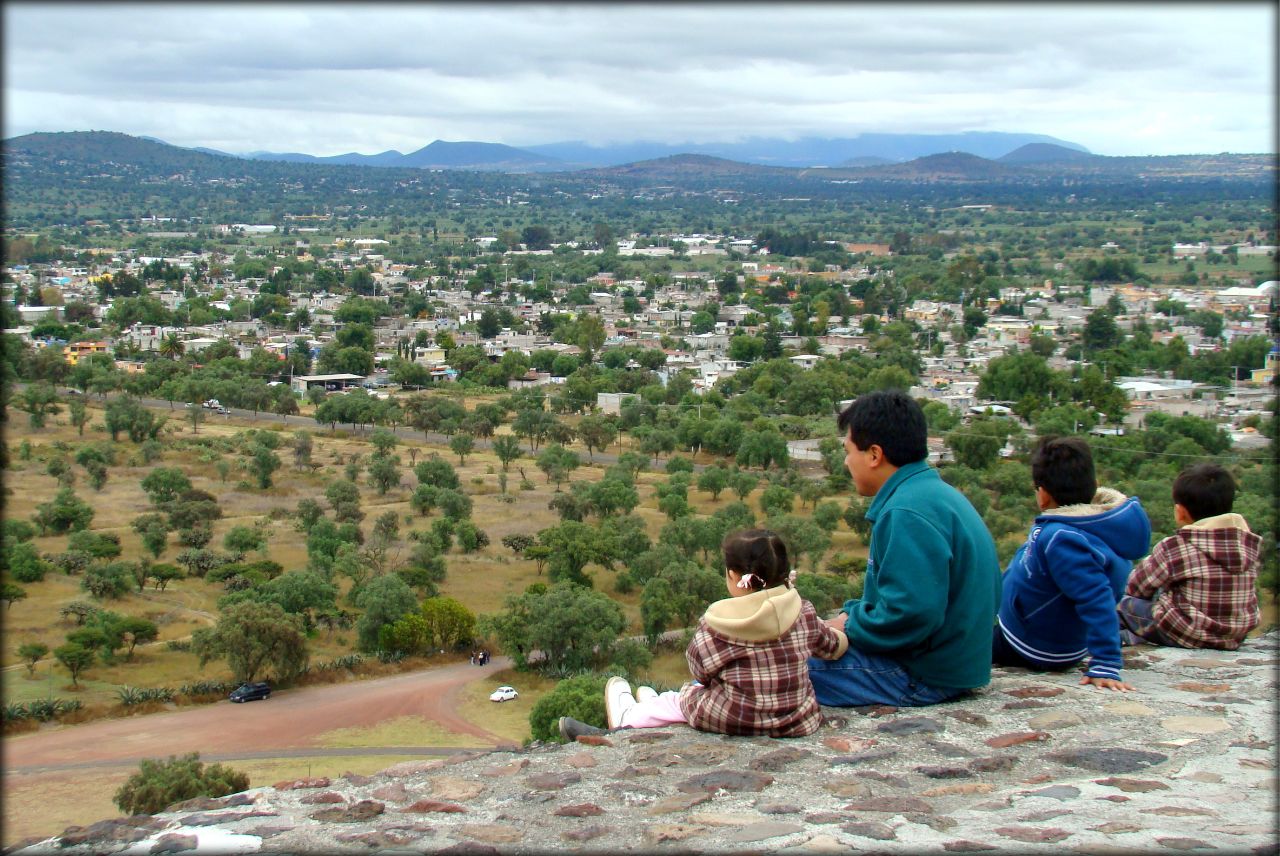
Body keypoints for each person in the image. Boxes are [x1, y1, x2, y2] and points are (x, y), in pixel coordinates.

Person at [807, 390, 1002, 708]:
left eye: (848, 451)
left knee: (773, 669)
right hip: (954, 665)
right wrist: (851, 615)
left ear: (874, 455)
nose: (845, 462)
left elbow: (910, 614)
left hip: (922, 675)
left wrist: (852, 625)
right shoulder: (934, 495)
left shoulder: (906, 512)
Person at [603, 529, 848, 737]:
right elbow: (831, 647)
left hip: (735, 717)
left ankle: (628, 717)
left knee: (682, 699)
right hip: (796, 719)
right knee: (687, 696)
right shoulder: (803, 612)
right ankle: (650, 701)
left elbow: (699, 671)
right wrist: (842, 635)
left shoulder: (719, 624)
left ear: (732, 576)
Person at [993, 436, 1151, 692]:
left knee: (957, 643)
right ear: (1095, 485)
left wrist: (1106, 663)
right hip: (1045, 633)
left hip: (1033, 644)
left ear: (1042, 495)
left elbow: (1096, 599)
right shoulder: (1092, 527)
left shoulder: (1062, 539)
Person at [1117, 463, 1262, 649]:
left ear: (1181, 512)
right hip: (1233, 637)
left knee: (1118, 602)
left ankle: (1111, 644)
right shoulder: (1248, 545)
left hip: (1187, 634)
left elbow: (1135, 587)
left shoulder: (1175, 547)